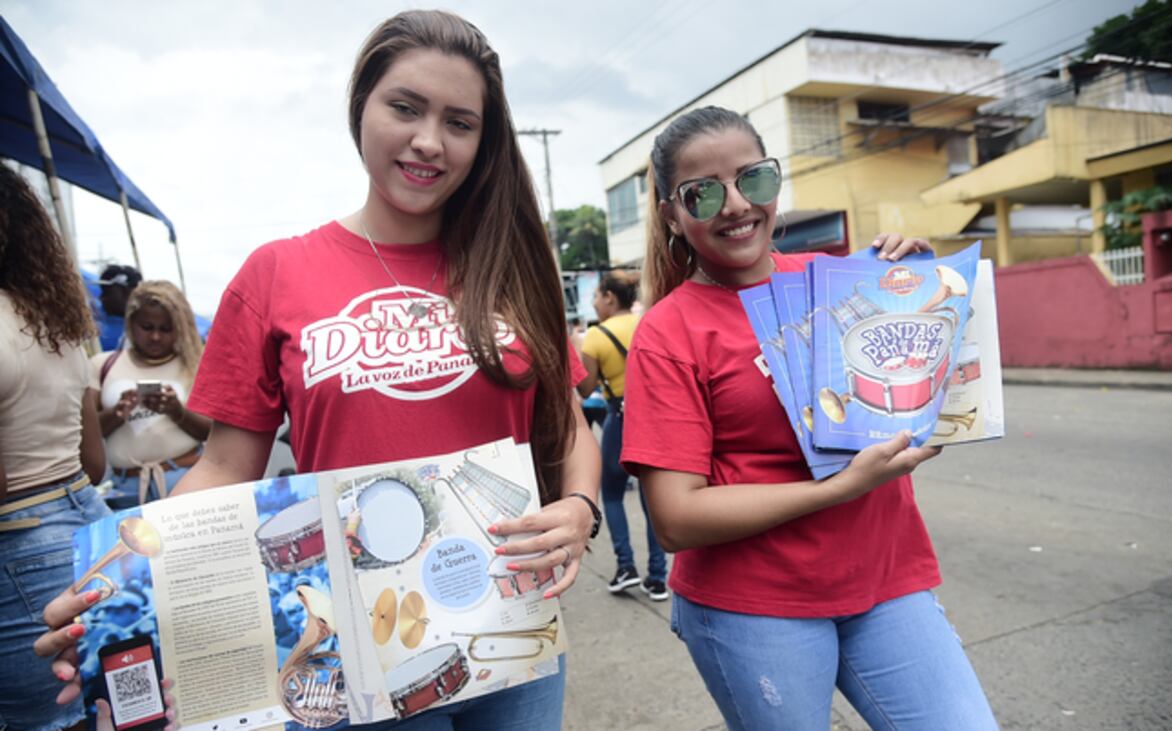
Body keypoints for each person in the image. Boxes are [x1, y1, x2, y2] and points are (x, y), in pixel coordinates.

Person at [36, 10, 601, 731]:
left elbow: (569, 426)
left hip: (512, 621)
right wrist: (111, 584)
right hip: (358, 645)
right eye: (405, 108)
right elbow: (224, 466)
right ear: (360, 107)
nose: (430, 140)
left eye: (460, 122)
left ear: (483, 142)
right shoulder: (277, 272)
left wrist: (580, 507)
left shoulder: (517, 270)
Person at [621, 106, 997, 730]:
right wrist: (840, 487)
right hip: (753, 604)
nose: (736, 205)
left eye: (754, 179)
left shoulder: (845, 280)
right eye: (703, 193)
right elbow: (676, 518)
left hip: (885, 580)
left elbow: (910, 391)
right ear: (671, 214)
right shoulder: (667, 332)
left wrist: (922, 291)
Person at [0, 164, 110, 731]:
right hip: (85, 523)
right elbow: (94, 463)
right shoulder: (55, 322)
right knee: (98, 710)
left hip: (19, 545)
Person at [576, 271, 668, 600]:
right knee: (651, 498)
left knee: (612, 495)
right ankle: (658, 577)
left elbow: (585, 389)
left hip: (620, 420)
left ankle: (626, 566)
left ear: (610, 298)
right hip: (655, 422)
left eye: (596, 296)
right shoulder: (650, 322)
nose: (594, 303)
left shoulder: (596, 336)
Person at [93, 280, 210, 509]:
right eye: (147, 327)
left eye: (166, 329)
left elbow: (213, 433)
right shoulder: (101, 366)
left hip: (185, 480)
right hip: (125, 489)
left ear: (179, 327)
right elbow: (86, 433)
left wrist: (176, 411)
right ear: (131, 323)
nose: (155, 336)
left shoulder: (196, 365)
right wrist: (117, 413)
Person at [95, 264, 142, 351]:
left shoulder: (145, 332)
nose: (101, 297)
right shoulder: (94, 331)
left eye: (107, 291)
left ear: (127, 292)